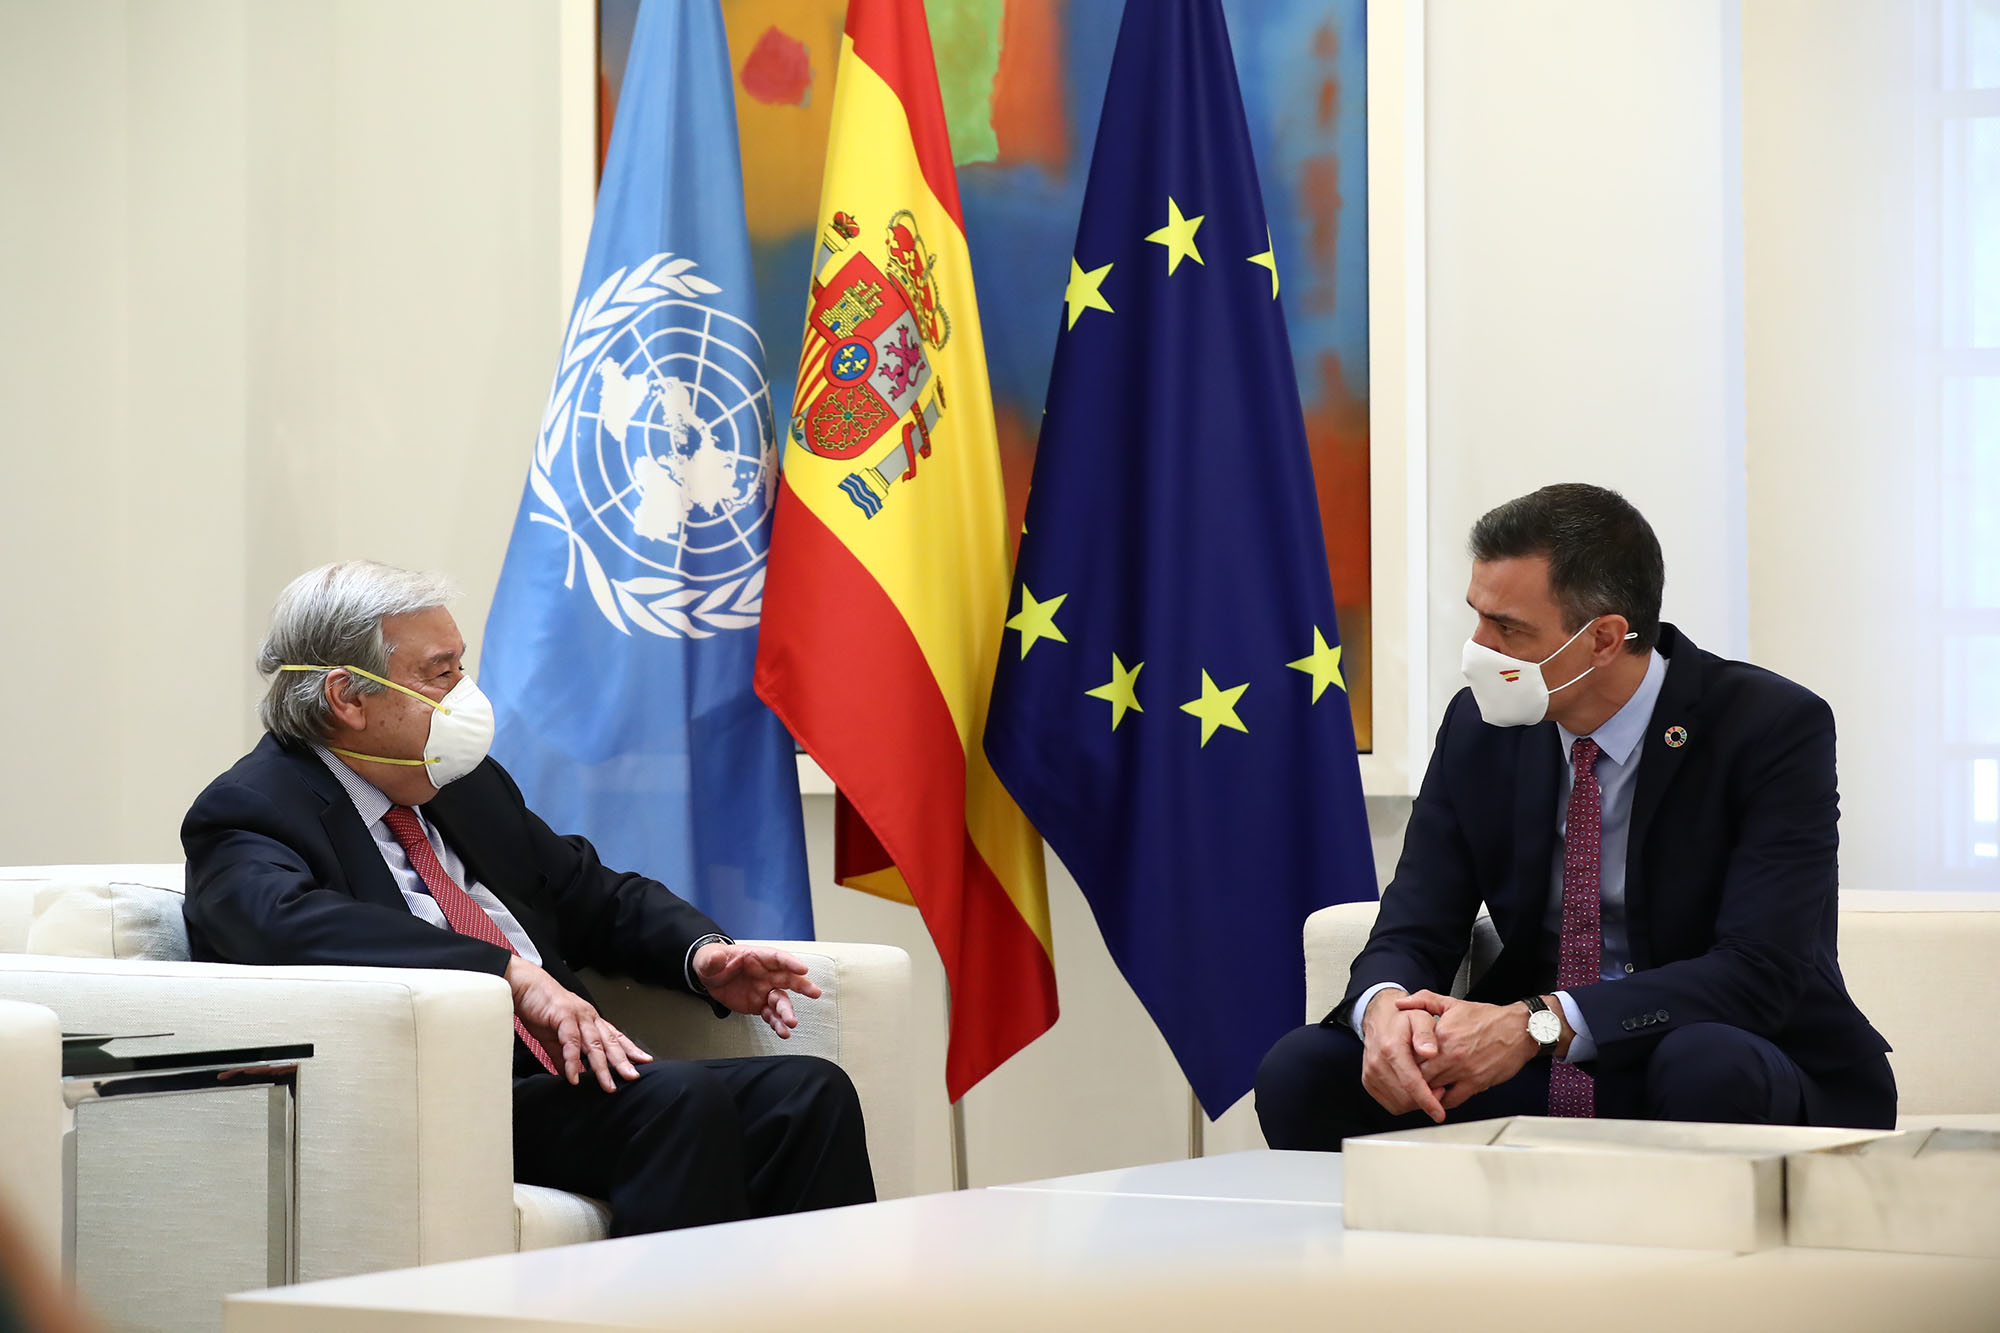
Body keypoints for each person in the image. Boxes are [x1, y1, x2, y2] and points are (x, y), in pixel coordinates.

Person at [182, 561, 874, 1233]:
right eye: (440, 672)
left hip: (559, 1078)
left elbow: (590, 893)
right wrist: (506, 974)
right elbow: (278, 923)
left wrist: (703, 954)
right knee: (675, 1099)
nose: (464, 692)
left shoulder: (462, 785)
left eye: (461, 665)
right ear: (348, 698)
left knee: (809, 1094)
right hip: (438, 1095)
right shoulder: (251, 807)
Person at [1256, 484, 1895, 1148]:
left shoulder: (1769, 727)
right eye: (1478, 616)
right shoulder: (1480, 728)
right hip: (1539, 1065)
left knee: (1707, 1063)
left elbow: (1758, 972)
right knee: (1304, 1069)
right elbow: (1416, 921)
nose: (1478, 649)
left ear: (1604, 639)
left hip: (1712, 1049)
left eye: (1508, 628)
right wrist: (1385, 1006)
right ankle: (1402, 1255)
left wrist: (1536, 1022)